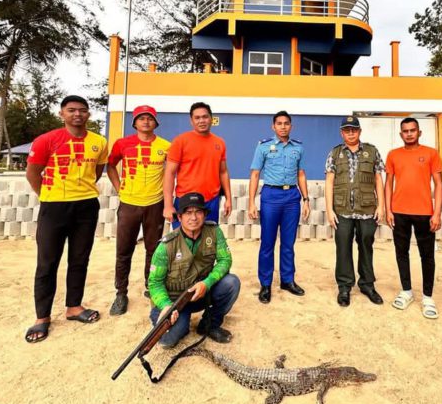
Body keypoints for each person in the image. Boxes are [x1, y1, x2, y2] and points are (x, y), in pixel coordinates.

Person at [24, 95, 108, 343]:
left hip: (86, 206)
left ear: (89, 114)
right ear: (62, 114)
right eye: (71, 110)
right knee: (47, 263)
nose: (77, 114)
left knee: (80, 258)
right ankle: (42, 317)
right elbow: (32, 173)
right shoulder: (46, 140)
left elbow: (97, 171)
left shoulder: (99, 142)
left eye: (82, 110)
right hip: (54, 207)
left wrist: (80, 191)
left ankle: (74, 306)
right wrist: (47, 196)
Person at [148, 192, 240, 346]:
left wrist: (207, 283)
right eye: (188, 213)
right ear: (179, 217)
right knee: (167, 342)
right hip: (175, 300)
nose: (194, 217)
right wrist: (165, 305)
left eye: (198, 212)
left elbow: (225, 260)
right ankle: (159, 314)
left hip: (202, 292)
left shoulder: (214, 232)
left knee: (231, 283)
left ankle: (209, 325)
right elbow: (154, 283)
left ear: (204, 215)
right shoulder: (166, 246)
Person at [107, 105, 171, 316]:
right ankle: (121, 292)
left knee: (154, 250)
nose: (146, 122)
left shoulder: (165, 146)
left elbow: (171, 172)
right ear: (135, 123)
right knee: (124, 250)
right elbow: (110, 165)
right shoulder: (123, 144)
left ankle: (151, 286)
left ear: (155, 122)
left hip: (155, 204)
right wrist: (119, 189)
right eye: (141, 118)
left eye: (150, 118)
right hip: (129, 204)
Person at [248, 111, 310, 304]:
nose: (283, 126)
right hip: (271, 196)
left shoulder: (298, 147)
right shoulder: (264, 146)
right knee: (267, 243)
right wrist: (251, 202)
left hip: (292, 197)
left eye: (286, 123)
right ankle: (265, 284)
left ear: (291, 126)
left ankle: (287, 280)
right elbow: (255, 174)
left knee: (288, 243)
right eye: (279, 124)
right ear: (273, 127)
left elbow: (301, 174)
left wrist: (306, 199)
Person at [384, 117, 442, 319]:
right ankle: (406, 291)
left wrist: (436, 212)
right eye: (405, 131)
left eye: (412, 130)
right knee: (402, 252)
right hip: (399, 212)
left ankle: (428, 297)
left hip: (425, 212)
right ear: (401, 134)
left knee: (427, 256)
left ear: (419, 132)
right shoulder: (393, 155)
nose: (409, 133)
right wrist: (388, 209)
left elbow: (439, 184)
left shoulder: (431, 154)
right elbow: (388, 183)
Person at [325, 116, 385, 307]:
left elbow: (378, 179)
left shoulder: (372, 151)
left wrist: (381, 206)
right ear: (342, 133)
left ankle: (367, 284)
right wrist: (329, 210)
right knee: (343, 248)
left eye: (354, 129)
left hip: (367, 209)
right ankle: (344, 286)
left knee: (366, 246)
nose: (350, 133)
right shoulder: (335, 153)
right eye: (347, 130)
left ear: (359, 131)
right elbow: (329, 182)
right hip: (342, 210)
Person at [163, 102, 231, 226]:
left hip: (211, 201)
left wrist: (229, 199)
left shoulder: (219, 142)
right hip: (185, 201)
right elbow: (169, 173)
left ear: (211, 118)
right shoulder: (180, 141)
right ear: (191, 121)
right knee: (184, 243)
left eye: (205, 117)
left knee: (208, 241)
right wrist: (168, 206)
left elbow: (223, 172)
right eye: (197, 118)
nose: (202, 121)